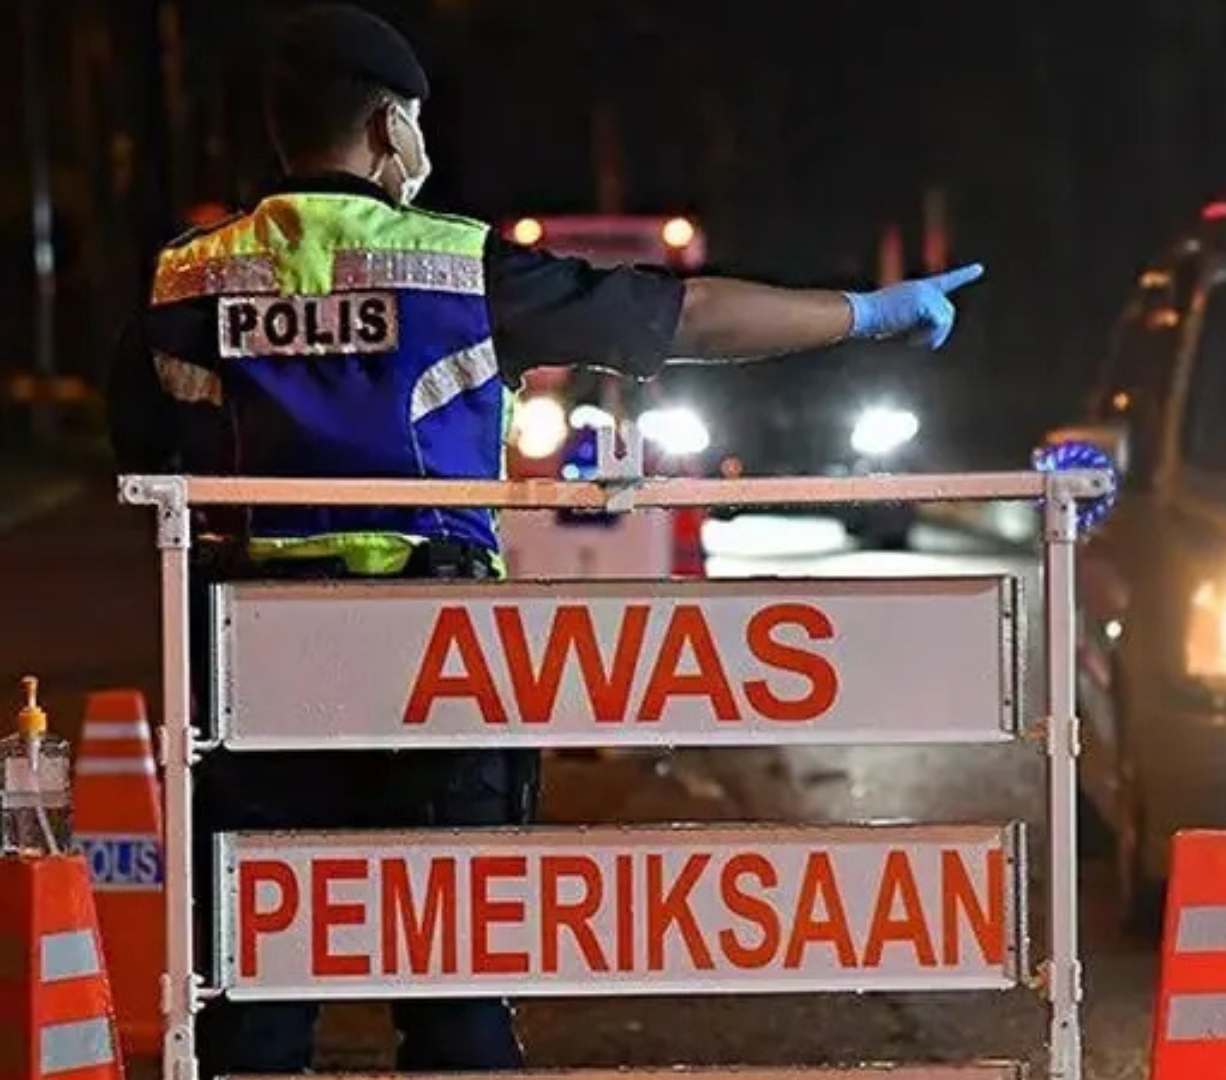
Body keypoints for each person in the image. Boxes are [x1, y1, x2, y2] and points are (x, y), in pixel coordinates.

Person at [104, 4, 984, 1074]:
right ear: (389, 128)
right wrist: (869, 312)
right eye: (414, 125)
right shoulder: (453, 265)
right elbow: (685, 320)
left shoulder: (184, 278)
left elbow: (142, 459)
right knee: (455, 983)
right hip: (438, 664)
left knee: (255, 995)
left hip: (249, 670)